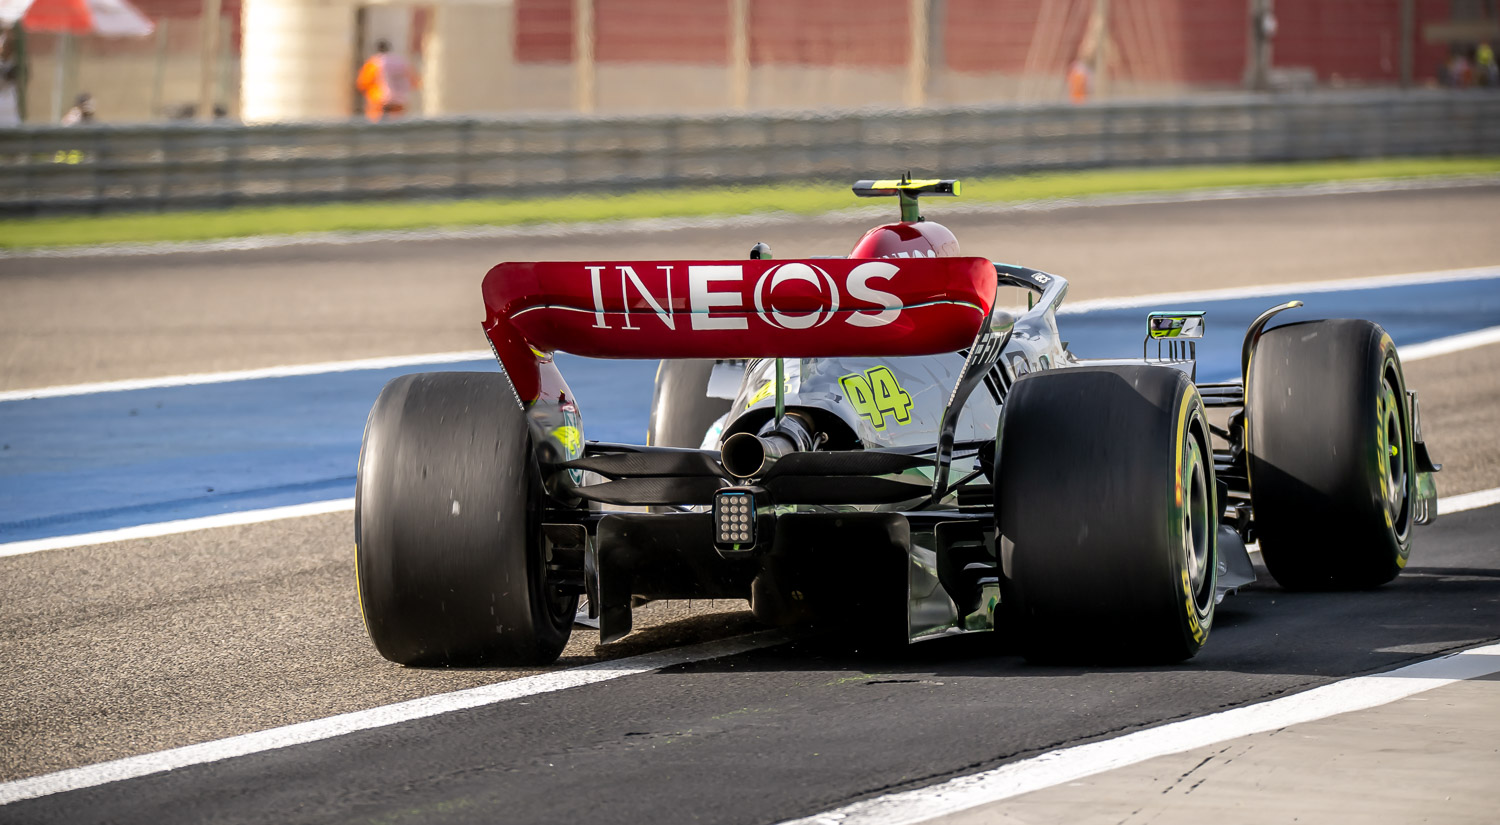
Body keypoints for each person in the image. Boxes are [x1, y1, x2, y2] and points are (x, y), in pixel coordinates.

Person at [356, 38, 418, 123]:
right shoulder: (401, 62)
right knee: (397, 124)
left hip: (379, 101)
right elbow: (414, 81)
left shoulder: (375, 62)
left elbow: (363, 83)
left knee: (377, 125)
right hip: (400, 100)